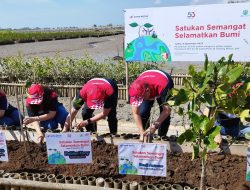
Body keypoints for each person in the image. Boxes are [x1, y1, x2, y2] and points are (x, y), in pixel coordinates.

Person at [128, 69, 174, 141]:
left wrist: (153, 127)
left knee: (164, 113)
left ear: (148, 91)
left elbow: (167, 110)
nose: (141, 100)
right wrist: (141, 131)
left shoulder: (164, 86)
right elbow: (136, 113)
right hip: (147, 77)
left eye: (142, 98)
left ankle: (162, 135)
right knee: (143, 112)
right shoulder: (134, 89)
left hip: (163, 81)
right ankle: (146, 135)